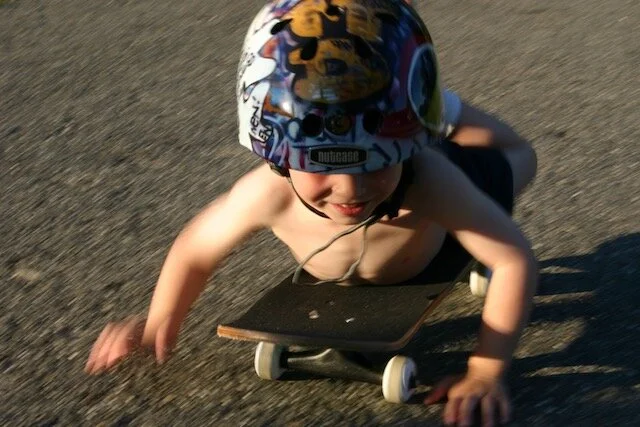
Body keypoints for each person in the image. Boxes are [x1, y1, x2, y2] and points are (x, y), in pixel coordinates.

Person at [85, 1, 538, 425]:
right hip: (408, 146)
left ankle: (444, 111)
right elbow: (196, 249)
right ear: (276, 158)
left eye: (374, 163)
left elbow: (513, 258)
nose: (352, 189)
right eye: (325, 166)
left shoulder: (430, 178)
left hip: (457, 176)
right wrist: (157, 324)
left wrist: (484, 372)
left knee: (519, 157)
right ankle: (431, 112)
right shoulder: (266, 191)